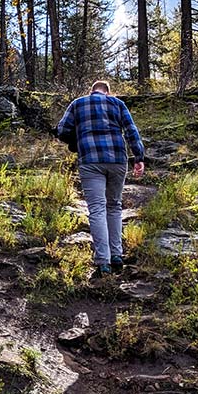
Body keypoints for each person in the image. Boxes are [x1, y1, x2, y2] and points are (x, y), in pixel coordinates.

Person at [56, 80, 145, 277]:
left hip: (90, 160)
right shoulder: (118, 104)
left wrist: (76, 141)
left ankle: (103, 261)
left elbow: (62, 131)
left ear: (92, 91)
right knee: (114, 205)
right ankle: (117, 255)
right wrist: (138, 157)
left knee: (97, 208)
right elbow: (131, 131)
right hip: (117, 160)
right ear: (107, 92)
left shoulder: (78, 104)